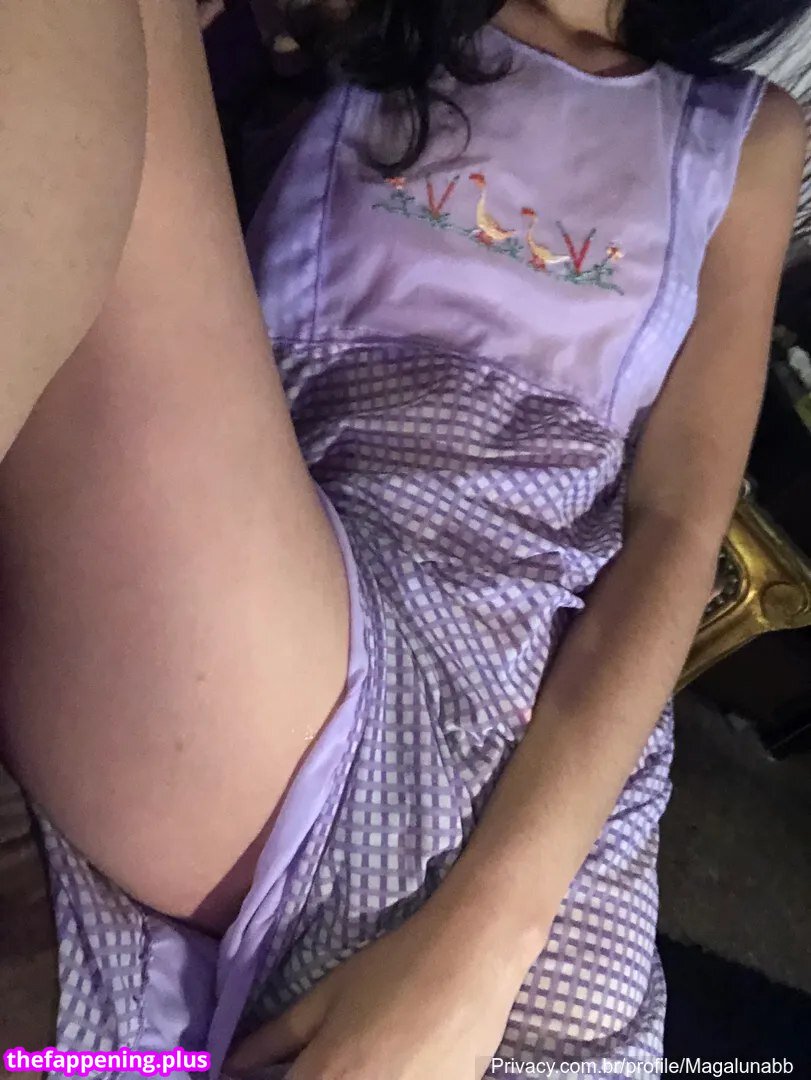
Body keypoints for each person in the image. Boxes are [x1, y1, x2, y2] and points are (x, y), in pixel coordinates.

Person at [0, 0, 806, 1077]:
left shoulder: (743, 132)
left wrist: (483, 941)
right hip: (304, 592)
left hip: (511, 712)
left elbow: (677, 528)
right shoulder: (381, 17)